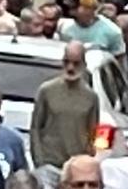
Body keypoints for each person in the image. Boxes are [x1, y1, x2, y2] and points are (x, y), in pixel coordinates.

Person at [29, 41, 99, 174]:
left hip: (76, 168)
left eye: (76, 63)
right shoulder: (46, 91)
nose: (70, 68)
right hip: (50, 164)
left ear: (84, 65)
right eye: (66, 62)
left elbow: (92, 133)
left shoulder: (91, 97)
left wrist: (87, 161)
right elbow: (35, 128)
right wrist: (39, 161)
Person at [58, 0, 124, 56]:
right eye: (70, 8)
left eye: (75, 8)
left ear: (89, 8)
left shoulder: (113, 32)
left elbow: (118, 60)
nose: (71, 12)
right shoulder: (63, 26)